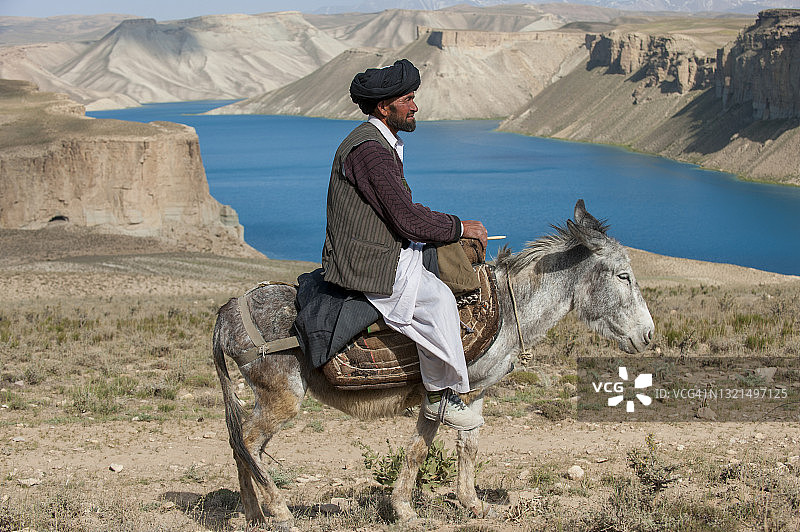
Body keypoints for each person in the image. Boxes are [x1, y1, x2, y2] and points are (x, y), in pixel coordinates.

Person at [321, 58, 488, 430]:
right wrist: (458, 227)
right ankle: (441, 397)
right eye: (408, 99)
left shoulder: (379, 142)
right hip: (367, 262)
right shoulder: (371, 151)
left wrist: (448, 226)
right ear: (385, 107)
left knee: (438, 276)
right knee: (438, 299)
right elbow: (407, 219)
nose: (415, 107)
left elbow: (402, 209)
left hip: (380, 247)